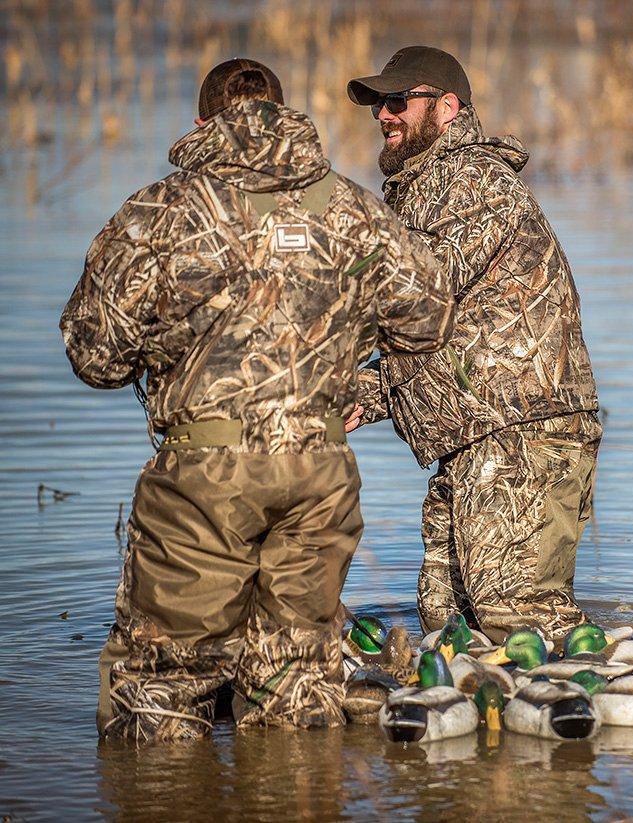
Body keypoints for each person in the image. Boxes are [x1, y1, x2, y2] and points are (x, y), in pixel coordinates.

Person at [62, 58, 453, 741]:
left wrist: (168, 344)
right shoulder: (351, 207)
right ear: (283, 113)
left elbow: (93, 355)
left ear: (203, 124)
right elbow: (427, 318)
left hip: (205, 476)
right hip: (319, 475)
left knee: (162, 691)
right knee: (298, 691)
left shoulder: (162, 209)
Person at [345, 46, 602, 643]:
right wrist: (359, 389)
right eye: (380, 104)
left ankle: (605, 692)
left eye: (399, 101)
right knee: (446, 622)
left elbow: (413, 295)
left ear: (448, 106)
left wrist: (314, 355)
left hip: (523, 436)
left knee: (517, 618)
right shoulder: (423, 192)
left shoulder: (473, 181)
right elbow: (442, 336)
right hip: (472, 437)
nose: (384, 114)